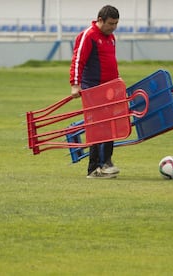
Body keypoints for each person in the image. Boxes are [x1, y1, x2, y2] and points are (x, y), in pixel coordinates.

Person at [69, 5, 121, 179]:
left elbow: (111, 63)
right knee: (98, 126)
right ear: (100, 20)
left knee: (110, 124)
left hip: (109, 90)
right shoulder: (88, 36)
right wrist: (75, 84)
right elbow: (77, 61)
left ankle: (106, 162)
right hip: (93, 88)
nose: (113, 27)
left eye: (116, 24)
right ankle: (94, 168)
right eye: (110, 24)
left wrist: (117, 83)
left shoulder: (111, 37)